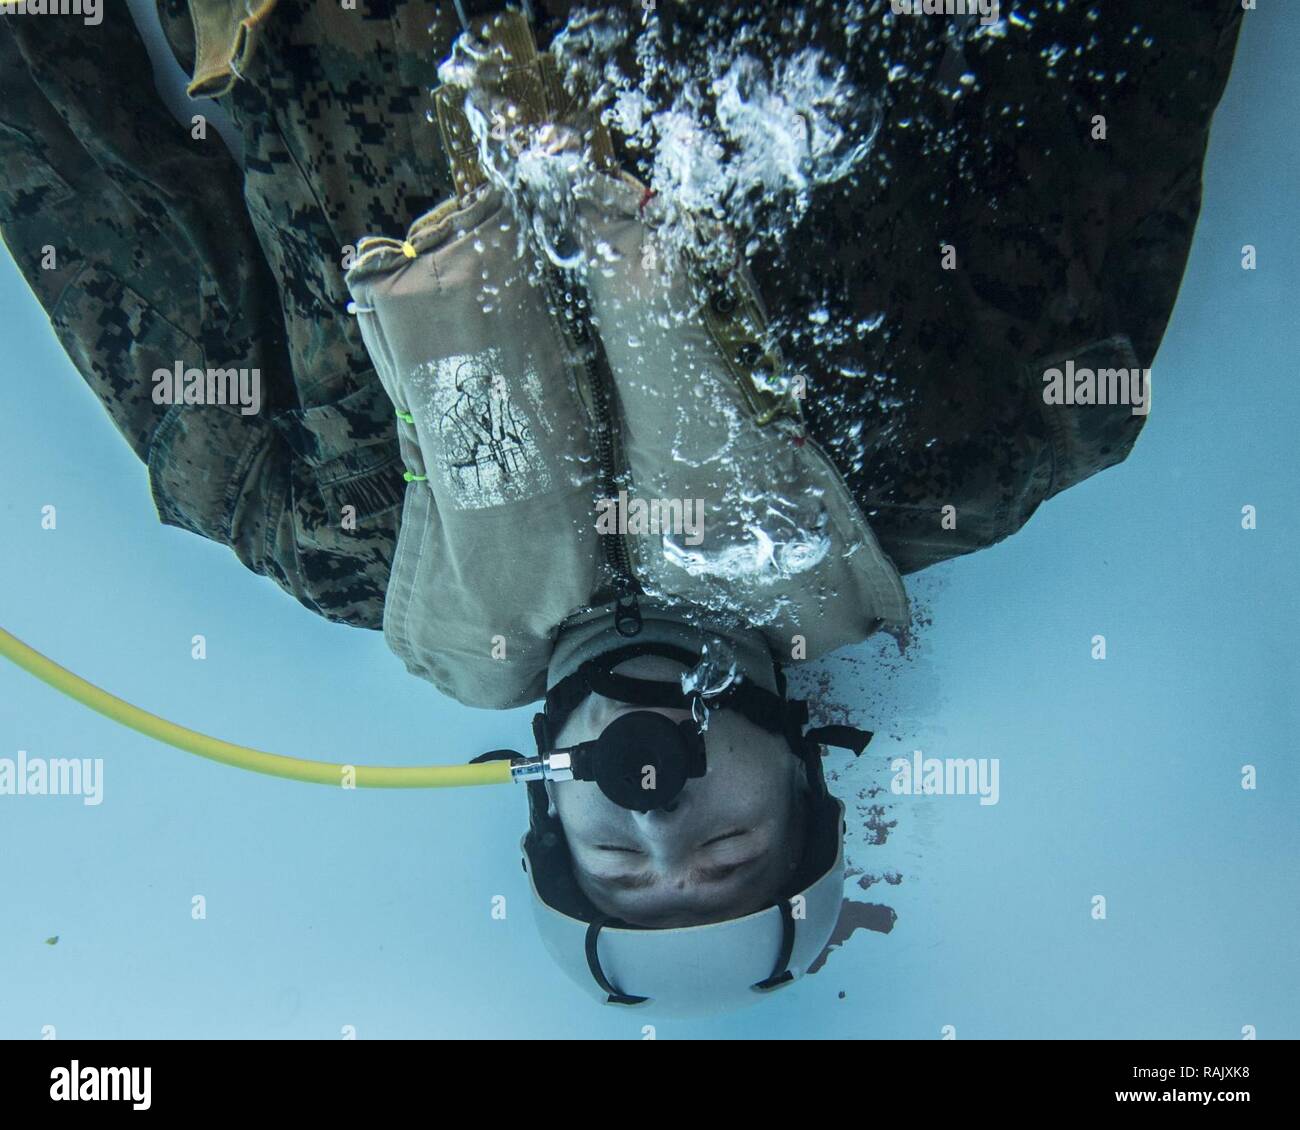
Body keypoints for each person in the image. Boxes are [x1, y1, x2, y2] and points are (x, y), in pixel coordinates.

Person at [0, 0, 1244, 1012]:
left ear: (550, 801)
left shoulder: (323, 542)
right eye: (724, 852)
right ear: (800, 775)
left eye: (615, 858)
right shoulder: (997, 448)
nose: (655, 804)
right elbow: (1132, 76)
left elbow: (83, 170)